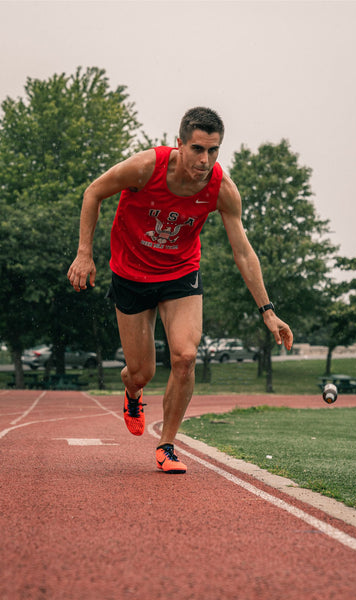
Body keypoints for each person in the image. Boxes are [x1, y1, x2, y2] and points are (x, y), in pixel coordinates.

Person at [67, 107, 293, 474]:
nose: (205, 160)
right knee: (142, 372)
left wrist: (268, 310)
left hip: (179, 275)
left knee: (185, 356)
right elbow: (94, 192)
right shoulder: (145, 167)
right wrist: (84, 254)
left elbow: (243, 252)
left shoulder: (222, 189)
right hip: (131, 274)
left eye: (213, 150)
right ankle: (132, 390)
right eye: (197, 149)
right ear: (179, 144)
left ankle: (167, 445)